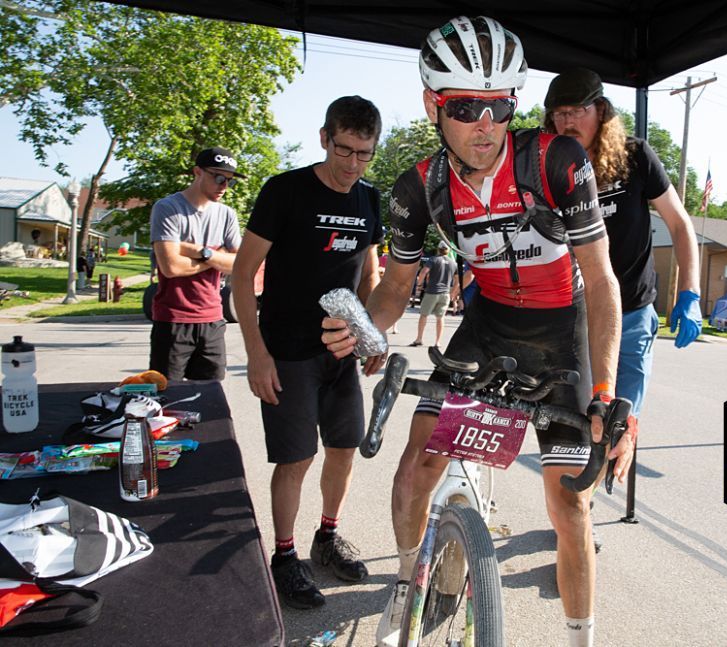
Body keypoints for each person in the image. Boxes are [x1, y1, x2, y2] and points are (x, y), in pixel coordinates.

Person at [322, 17, 628, 647]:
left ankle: (581, 639)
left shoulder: (556, 160)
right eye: (465, 107)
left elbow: (600, 283)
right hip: (486, 326)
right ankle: (412, 586)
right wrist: (365, 331)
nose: (485, 124)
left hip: (561, 331)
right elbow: (394, 286)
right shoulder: (420, 187)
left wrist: (604, 387)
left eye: (498, 106)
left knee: (569, 503)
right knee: (414, 469)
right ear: (435, 105)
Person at [232, 96, 384, 610]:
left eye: (365, 154)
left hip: (341, 354)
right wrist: (257, 354)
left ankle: (326, 536)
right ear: (325, 138)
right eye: (345, 151)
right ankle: (284, 555)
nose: (353, 165)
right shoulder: (285, 190)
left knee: (345, 448)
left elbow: (370, 273)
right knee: (296, 458)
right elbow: (241, 273)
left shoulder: (370, 198)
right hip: (288, 351)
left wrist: (367, 336)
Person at [544, 67, 703, 431]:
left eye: (577, 111)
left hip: (631, 316)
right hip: (574, 319)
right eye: (559, 113)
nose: (567, 122)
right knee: (577, 431)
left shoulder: (635, 156)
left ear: (600, 111)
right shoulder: (546, 166)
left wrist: (689, 293)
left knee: (618, 428)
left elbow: (679, 224)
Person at [149, 147, 242, 381]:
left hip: (213, 320)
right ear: (197, 172)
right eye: (219, 177)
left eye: (230, 181)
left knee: (210, 402)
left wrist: (202, 252)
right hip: (173, 321)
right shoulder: (168, 208)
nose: (224, 186)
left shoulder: (227, 215)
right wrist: (216, 258)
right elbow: (171, 267)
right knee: (168, 402)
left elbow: (240, 265)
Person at [408, 240, 457, 347]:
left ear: (438, 249)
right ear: (448, 250)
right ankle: (437, 342)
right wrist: (454, 292)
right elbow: (457, 279)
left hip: (432, 292)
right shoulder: (453, 263)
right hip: (445, 293)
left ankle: (419, 339)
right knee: (441, 317)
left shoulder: (433, 260)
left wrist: (419, 284)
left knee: (424, 315)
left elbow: (423, 271)